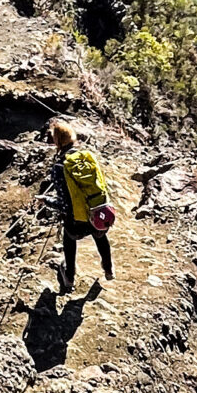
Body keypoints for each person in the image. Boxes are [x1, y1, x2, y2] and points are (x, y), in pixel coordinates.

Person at [45, 116, 114, 294]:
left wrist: (46, 201)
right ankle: (108, 268)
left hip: (76, 219)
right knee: (100, 236)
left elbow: (63, 202)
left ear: (57, 142)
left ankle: (69, 277)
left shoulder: (59, 166)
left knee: (69, 240)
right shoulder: (87, 157)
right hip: (97, 212)